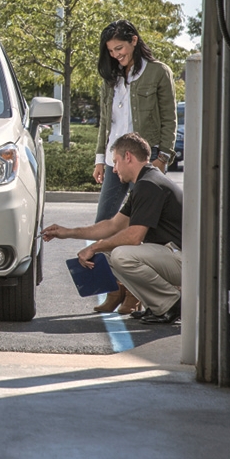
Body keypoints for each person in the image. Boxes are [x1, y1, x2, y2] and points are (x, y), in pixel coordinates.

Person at [43, 133, 183, 324]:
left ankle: (170, 304)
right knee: (107, 254)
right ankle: (157, 305)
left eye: (116, 162)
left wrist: (94, 247)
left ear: (128, 157)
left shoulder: (149, 185)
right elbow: (113, 225)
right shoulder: (145, 181)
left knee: (121, 255)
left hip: (185, 262)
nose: (114, 169)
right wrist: (66, 232)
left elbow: (134, 237)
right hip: (172, 256)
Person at [90, 19, 177, 314]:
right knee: (105, 221)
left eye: (120, 48)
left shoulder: (158, 72)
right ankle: (115, 290)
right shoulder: (112, 78)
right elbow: (106, 122)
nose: (116, 55)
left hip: (144, 162)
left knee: (141, 229)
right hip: (115, 161)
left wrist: (162, 158)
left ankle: (134, 295)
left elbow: (169, 118)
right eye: (111, 51)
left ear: (134, 41)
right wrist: (100, 159)